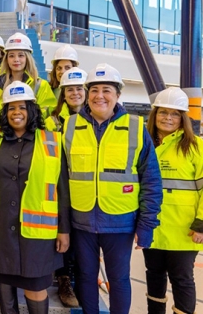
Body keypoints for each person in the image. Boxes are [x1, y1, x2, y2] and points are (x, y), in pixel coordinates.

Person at [62, 63, 163, 314]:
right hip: (81, 221)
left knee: (118, 280)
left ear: (118, 94)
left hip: (120, 221)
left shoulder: (136, 128)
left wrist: (146, 224)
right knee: (85, 277)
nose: (99, 96)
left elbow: (151, 180)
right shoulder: (70, 126)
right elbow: (61, 180)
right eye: (94, 90)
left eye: (106, 90)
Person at [0, 80, 70, 314]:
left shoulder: (51, 140)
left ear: (31, 110)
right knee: (4, 286)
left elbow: (62, 189)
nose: (16, 113)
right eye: (11, 108)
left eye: (21, 107)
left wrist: (64, 229)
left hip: (38, 235)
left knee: (36, 287)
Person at [144, 87, 203, 314]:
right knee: (154, 276)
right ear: (155, 114)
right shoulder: (144, 143)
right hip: (153, 227)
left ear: (183, 118)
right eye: (163, 112)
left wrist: (200, 224)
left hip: (183, 229)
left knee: (182, 279)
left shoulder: (196, 147)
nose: (168, 118)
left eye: (175, 113)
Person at [45, 68, 87, 308]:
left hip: (86, 187)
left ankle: (81, 280)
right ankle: (64, 280)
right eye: (69, 89)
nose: (74, 93)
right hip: (60, 185)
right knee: (63, 233)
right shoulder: (53, 120)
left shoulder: (95, 119)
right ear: (62, 93)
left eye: (79, 88)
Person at [0, 32, 56, 117]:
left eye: (21, 55)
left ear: (27, 58)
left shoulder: (40, 86)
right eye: (11, 56)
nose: (16, 59)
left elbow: (48, 114)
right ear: (6, 59)